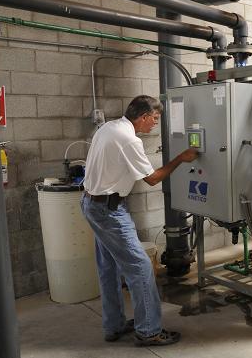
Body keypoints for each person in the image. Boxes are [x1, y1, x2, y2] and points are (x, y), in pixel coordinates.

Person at [81, 95, 198, 347]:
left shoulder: (109, 127)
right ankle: (149, 331)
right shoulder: (128, 138)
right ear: (143, 116)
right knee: (140, 268)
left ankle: (113, 325)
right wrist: (181, 157)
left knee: (109, 267)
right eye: (154, 119)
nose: (155, 124)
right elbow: (153, 179)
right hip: (108, 211)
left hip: (92, 203)